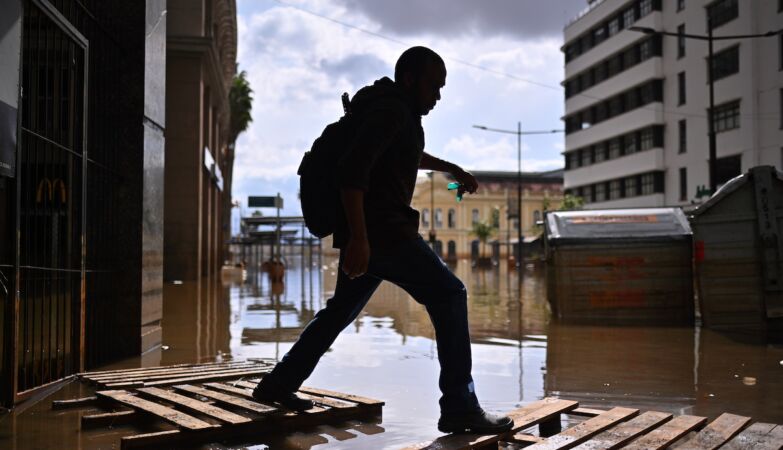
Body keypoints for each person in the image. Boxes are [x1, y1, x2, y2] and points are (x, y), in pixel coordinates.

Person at [253, 46, 514, 434]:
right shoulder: (392, 110)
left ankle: (278, 384)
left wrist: (451, 168)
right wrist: (360, 238)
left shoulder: (392, 112)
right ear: (410, 78)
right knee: (450, 294)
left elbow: (405, 153)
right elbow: (352, 173)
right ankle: (460, 405)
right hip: (384, 231)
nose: (438, 97)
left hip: (373, 233)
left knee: (339, 312)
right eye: (433, 86)